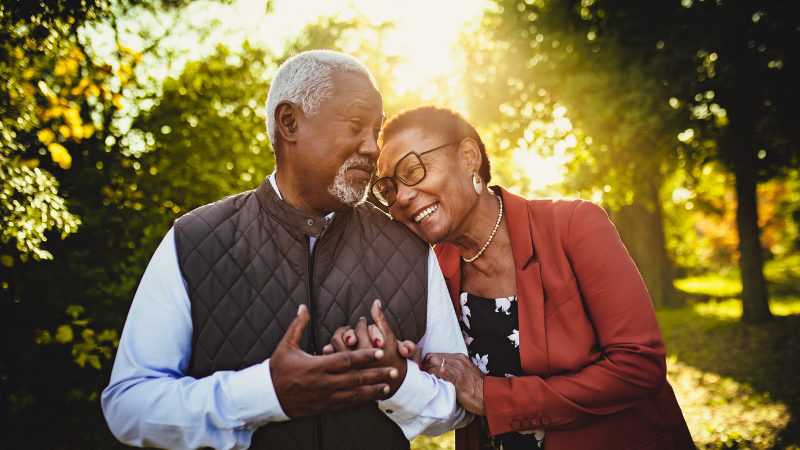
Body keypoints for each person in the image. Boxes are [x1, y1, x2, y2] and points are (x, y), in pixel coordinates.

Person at [101, 51, 472, 450]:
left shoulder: (411, 250)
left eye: (375, 131)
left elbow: (460, 407)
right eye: (355, 124)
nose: (372, 148)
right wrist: (267, 393)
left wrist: (398, 381)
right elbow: (127, 407)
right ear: (290, 122)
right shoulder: (193, 240)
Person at [359, 104, 695, 450]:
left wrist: (491, 397)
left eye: (413, 170)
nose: (402, 197)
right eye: (388, 189)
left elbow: (639, 365)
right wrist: (403, 368)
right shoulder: (429, 272)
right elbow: (438, 389)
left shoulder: (574, 225)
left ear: (469, 157)